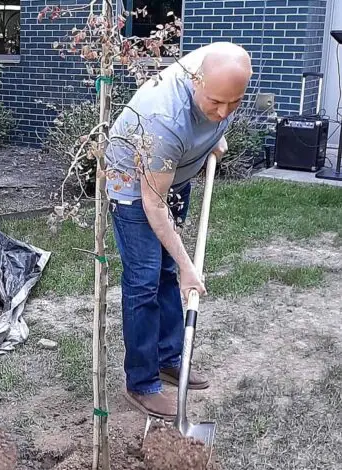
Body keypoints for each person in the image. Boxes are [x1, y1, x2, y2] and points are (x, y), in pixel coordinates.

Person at [105, 42, 252, 419]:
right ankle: (141, 382)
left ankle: (169, 358)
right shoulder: (164, 117)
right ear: (195, 81)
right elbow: (153, 204)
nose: (223, 111)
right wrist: (190, 266)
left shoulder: (224, 72)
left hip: (173, 173)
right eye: (215, 102)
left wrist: (214, 132)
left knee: (168, 272)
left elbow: (219, 111)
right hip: (135, 190)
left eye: (232, 104)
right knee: (144, 280)